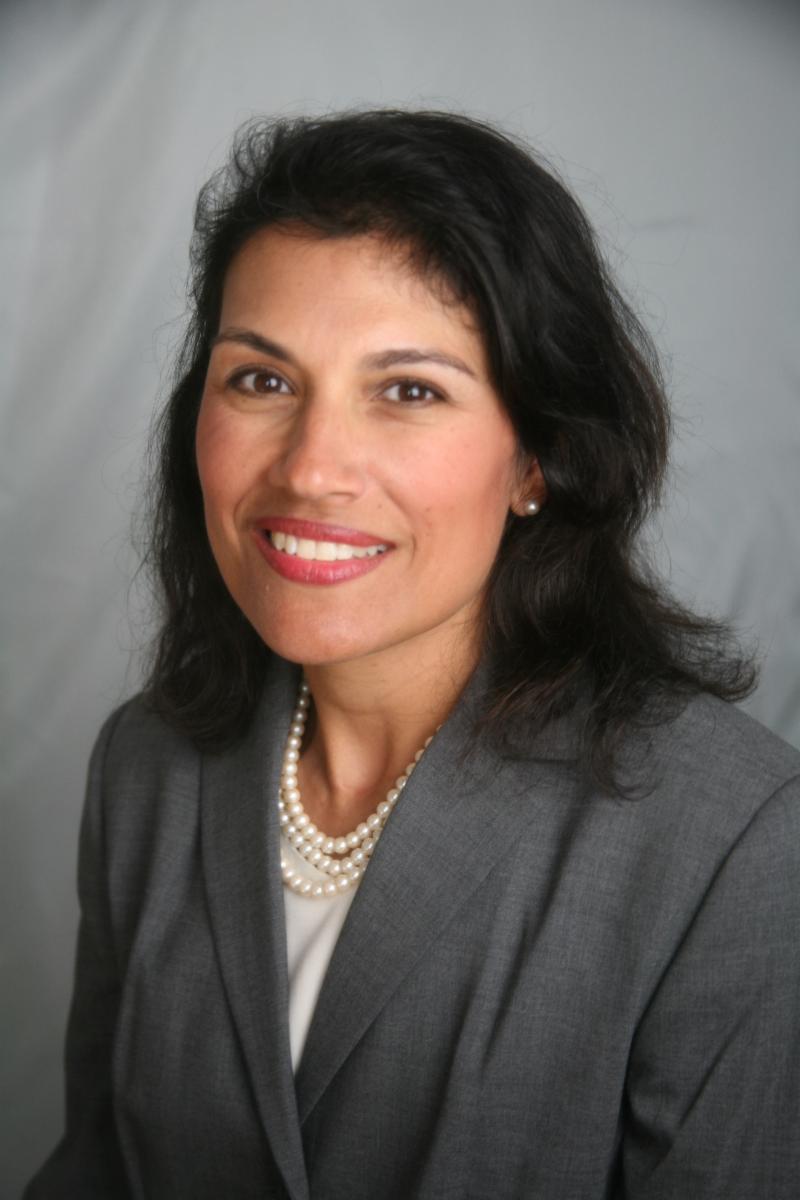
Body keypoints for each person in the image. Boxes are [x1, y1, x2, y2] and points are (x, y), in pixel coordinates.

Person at [26, 110, 800, 1200]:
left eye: (408, 391)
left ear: (537, 458)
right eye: (260, 379)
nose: (311, 469)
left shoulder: (735, 842)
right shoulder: (145, 765)